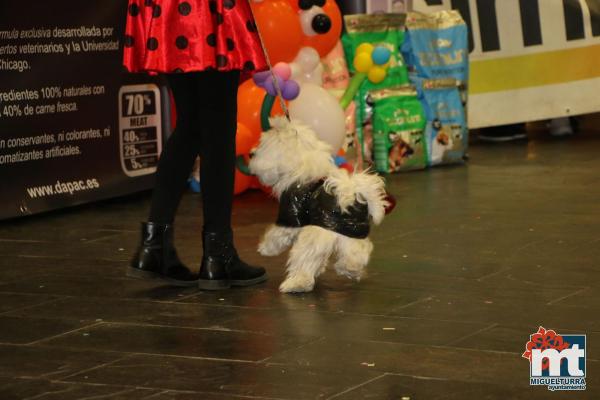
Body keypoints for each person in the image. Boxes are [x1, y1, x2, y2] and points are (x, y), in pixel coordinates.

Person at [123, 0, 268, 290]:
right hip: (206, 10)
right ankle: (218, 255)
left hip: (167, 9)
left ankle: (155, 247)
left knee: (191, 124)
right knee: (217, 129)